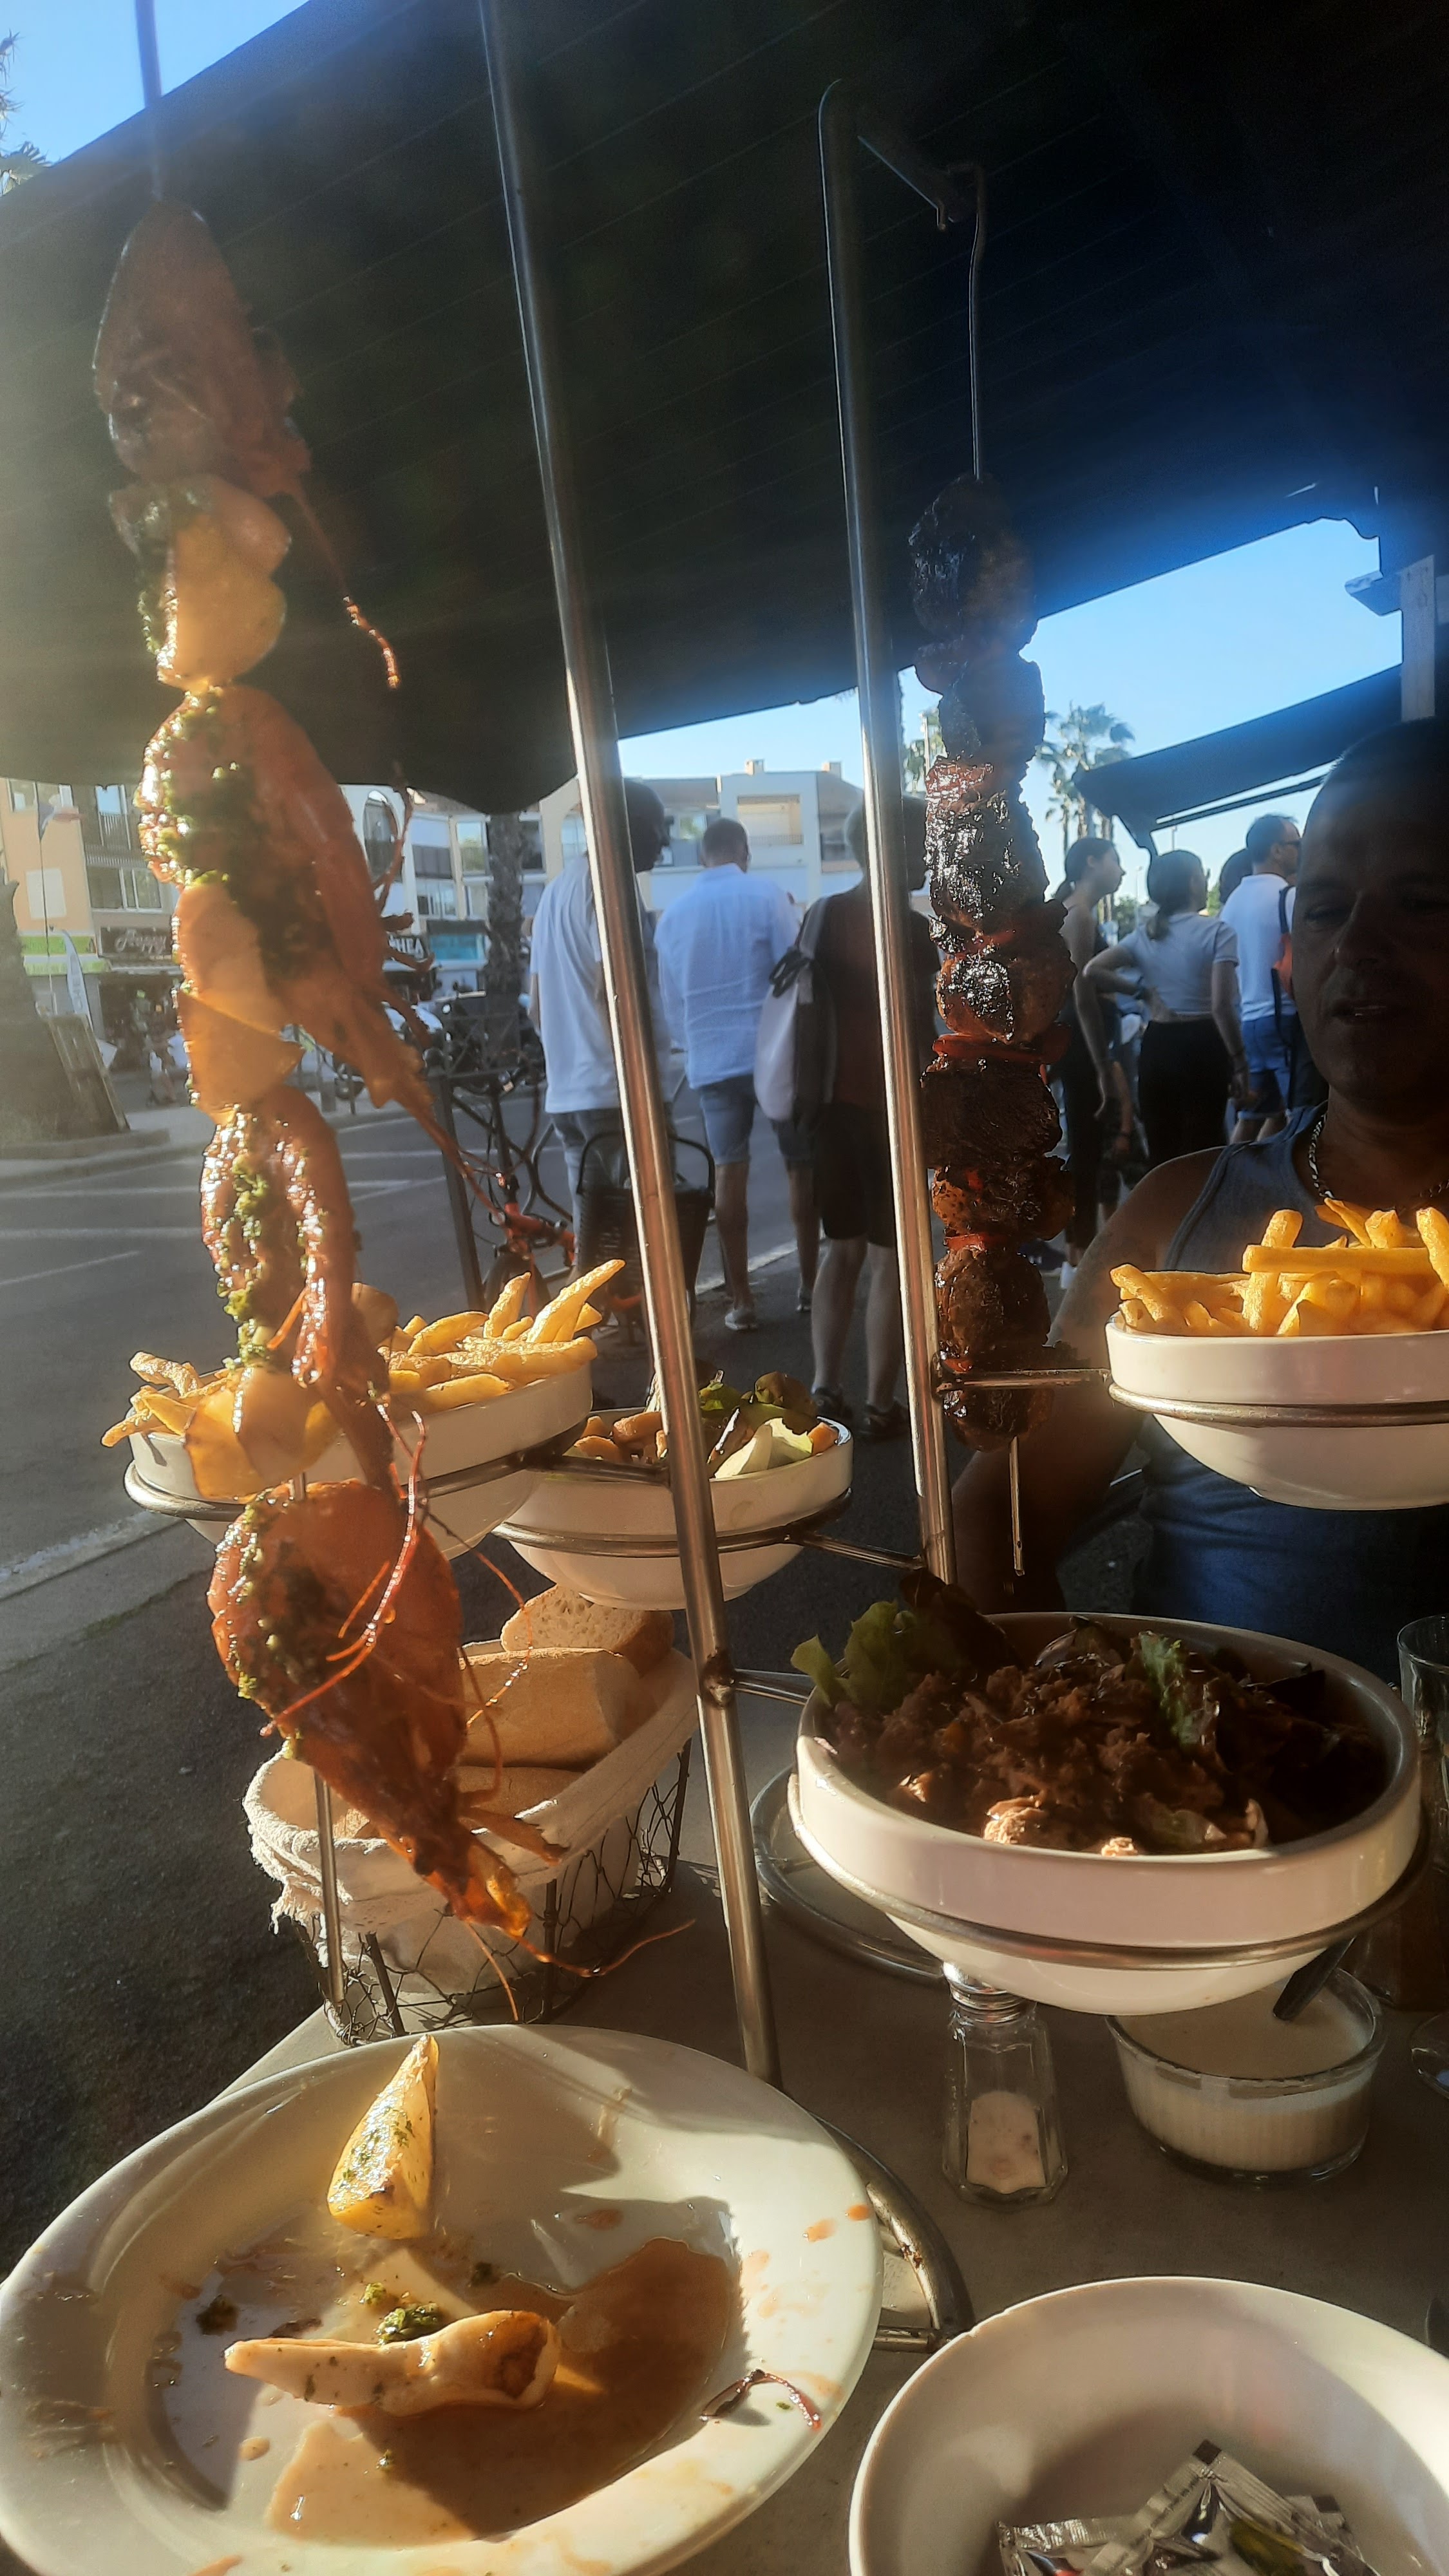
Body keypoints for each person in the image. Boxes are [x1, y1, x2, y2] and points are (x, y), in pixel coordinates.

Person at [952, 717, 1449, 1681]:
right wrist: (1065, 1718)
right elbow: (996, 1514)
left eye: (1421, 903)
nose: (1357, 943)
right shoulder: (1172, 1214)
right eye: (1324, 908)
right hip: (1218, 1754)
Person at [810, 797, 937, 1439]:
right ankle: (881, 1403)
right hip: (895, 1114)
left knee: (843, 1250)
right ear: (891, 846)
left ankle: (824, 1387)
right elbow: (928, 1031)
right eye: (922, 844)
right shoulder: (913, 931)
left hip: (829, 1106)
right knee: (892, 1257)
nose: (929, 858)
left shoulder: (824, 915)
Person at [654, 817, 804, 1330]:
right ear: (743, 852)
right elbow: (795, 971)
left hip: (712, 1060)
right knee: (798, 1163)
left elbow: (672, 1004)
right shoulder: (767, 896)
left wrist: (697, 1041)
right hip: (773, 1053)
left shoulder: (673, 918)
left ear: (702, 856)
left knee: (728, 1171)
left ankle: (741, 1299)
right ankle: (809, 1283)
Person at [529, 781, 672, 1229]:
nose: (665, 844)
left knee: (596, 1238)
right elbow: (608, 990)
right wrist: (639, 1088)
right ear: (629, 826)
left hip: (569, 1095)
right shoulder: (610, 886)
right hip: (614, 1096)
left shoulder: (555, 893)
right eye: (659, 829)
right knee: (648, 1235)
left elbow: (536, 1006)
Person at [1077, 849, 1248, 1165]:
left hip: (1159, 1043)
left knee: (1163, 1146)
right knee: (1206, 1144)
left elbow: (1092, 970)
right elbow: (1222, 1007)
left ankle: (1164, 1198)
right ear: (1194, 882)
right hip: (1204, 1043)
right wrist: (1240, 1061)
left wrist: (1142, 992)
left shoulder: (1143, 937)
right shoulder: (1218, 932)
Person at [1054, 837, 1125, 1274]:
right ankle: (1078, 1257)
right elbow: (1081, 991)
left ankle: (1077, 1254)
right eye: (1116, 860)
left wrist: (1136, 987)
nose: (1121, 870)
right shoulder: (1078, 913)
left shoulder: (1074, 910)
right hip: (1082, 1047)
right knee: (1087, 1148)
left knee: (1085, 1146)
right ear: (1092, 862)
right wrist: (1102, 1067)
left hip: (1078, 1044)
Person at [1222, 811, 1302, 1142]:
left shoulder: (1231, 905)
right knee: (1300, 1114)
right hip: (1285, 1019)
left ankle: (1228, 1170)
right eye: (1296, 844)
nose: (1301, 851)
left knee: (1254, 1116)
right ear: (1276, 850)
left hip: (1248, 1023)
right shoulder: (1288, 897)